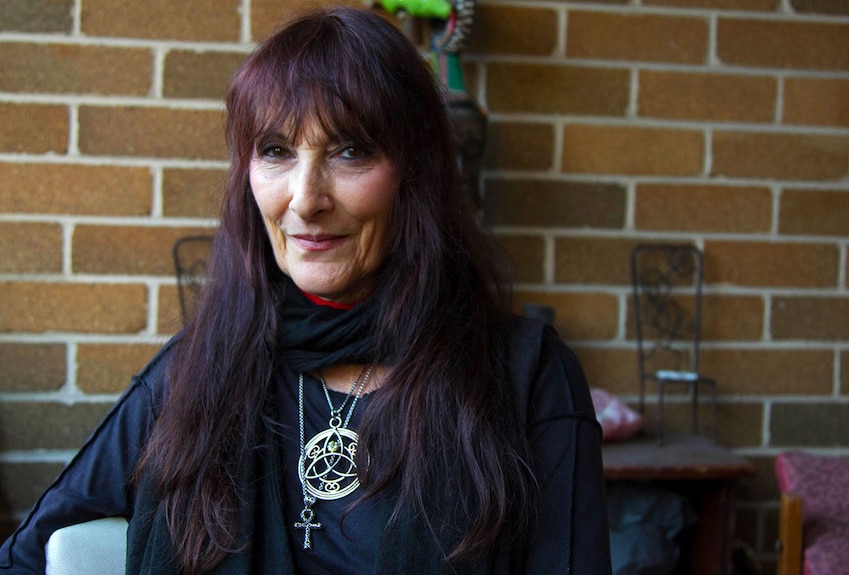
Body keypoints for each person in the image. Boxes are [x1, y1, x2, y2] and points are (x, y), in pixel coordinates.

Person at [0, 7, 611, 574]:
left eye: (349, 151)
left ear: (415, 174)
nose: (305, 199)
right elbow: (24, 559)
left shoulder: (526, 375)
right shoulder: (198, 373)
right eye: (275, 151)